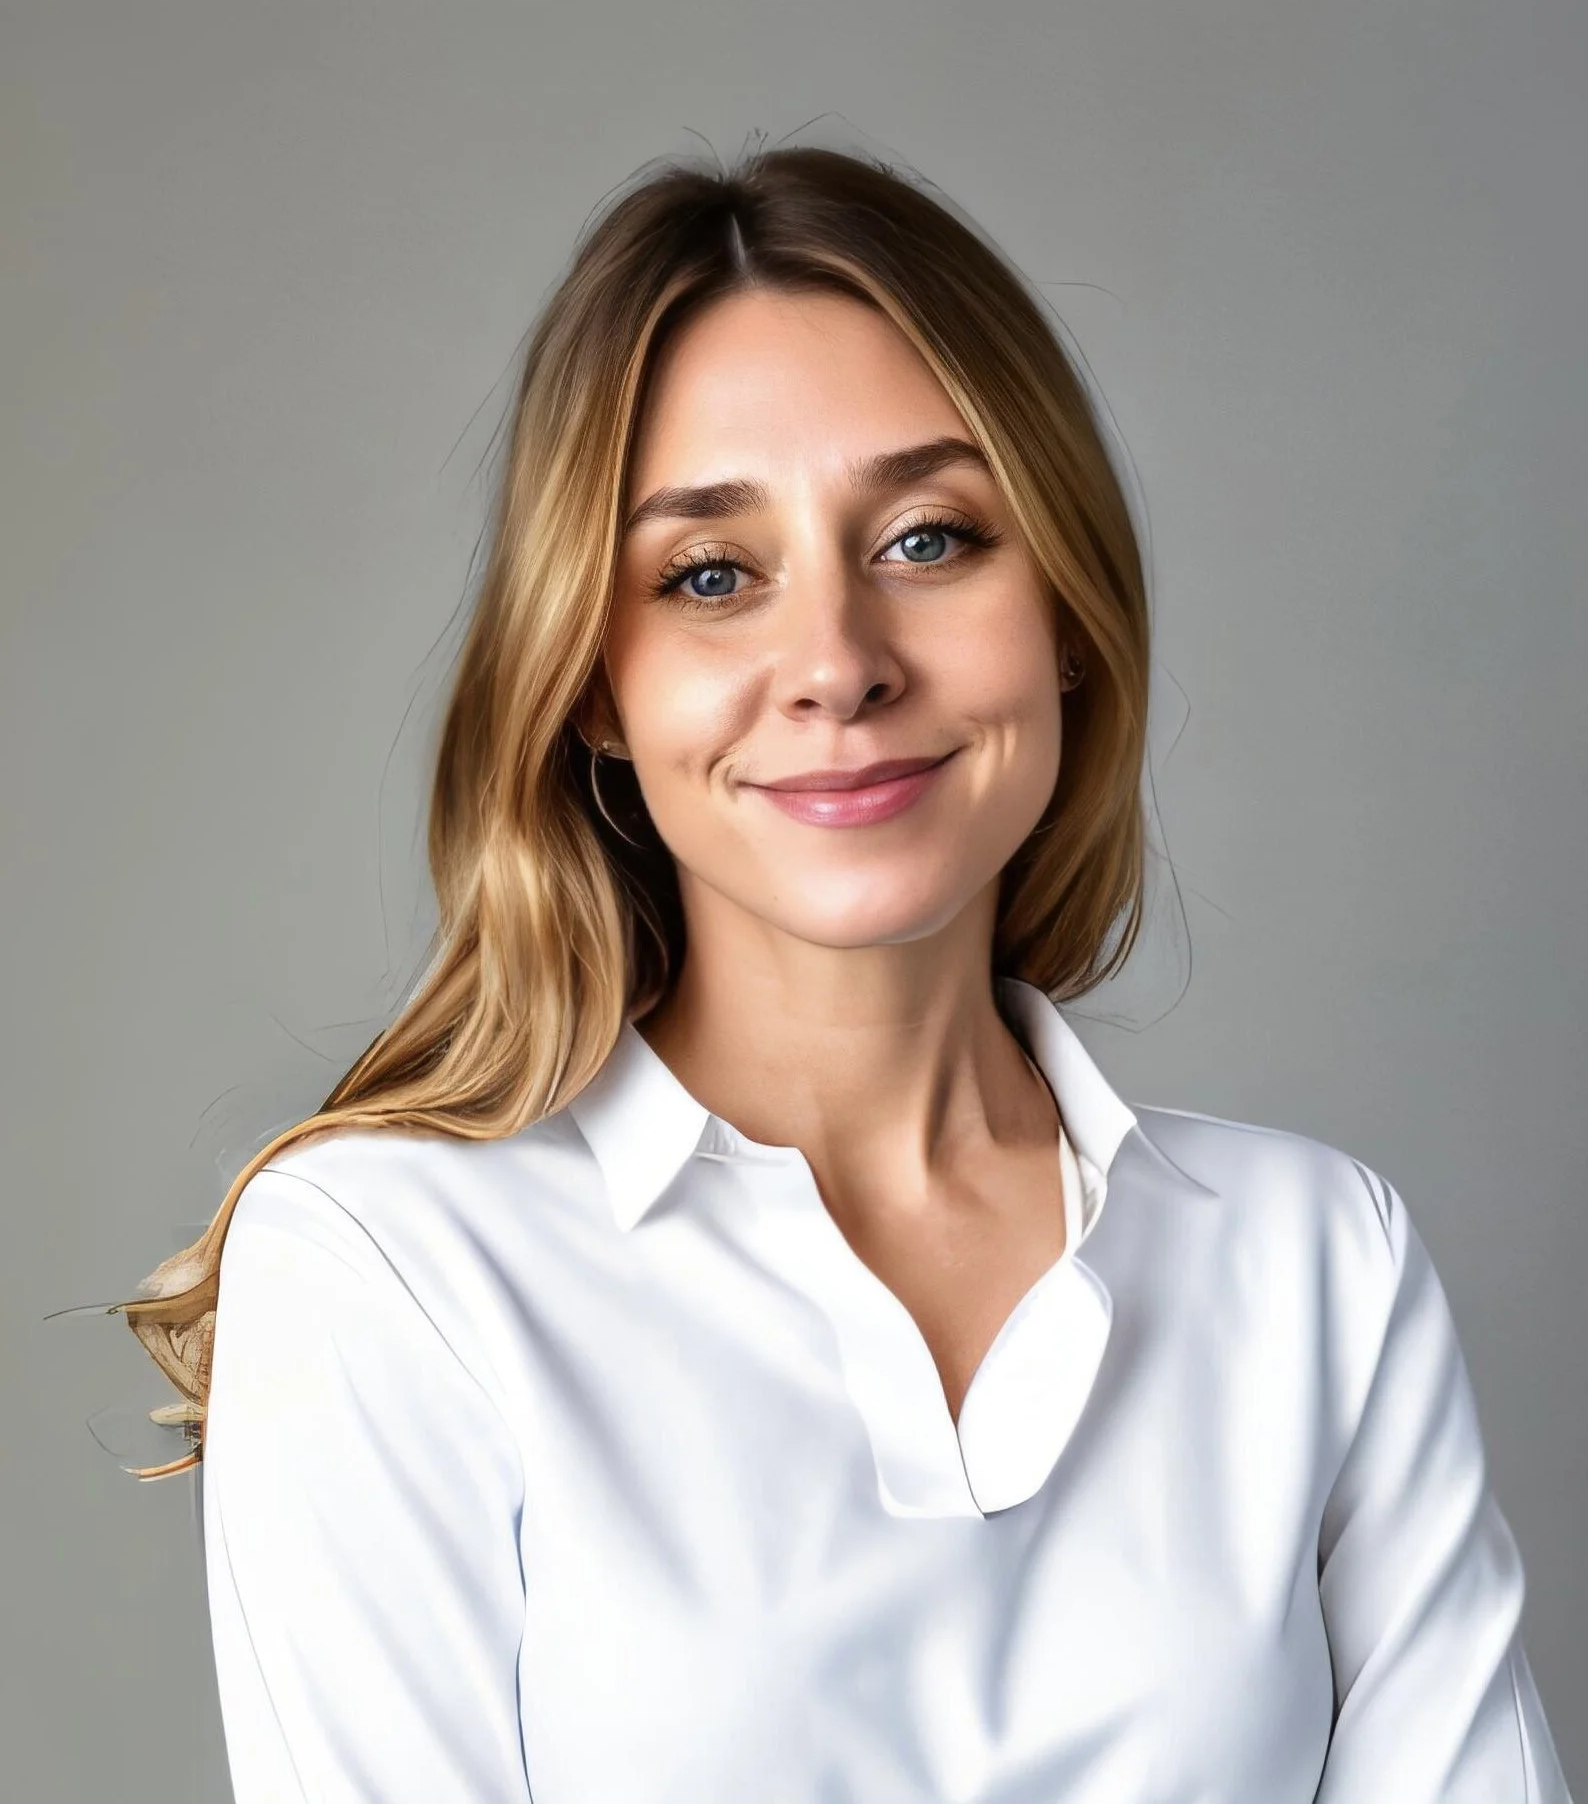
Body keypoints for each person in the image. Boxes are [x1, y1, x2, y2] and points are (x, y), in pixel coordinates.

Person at [115, 143, 1574, 1801]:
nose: (837, 667)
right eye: (711, 577)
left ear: (1070, 607)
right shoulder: (395, 1269)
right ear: (593, 682)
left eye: (932, 539)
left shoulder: (1323, 1267)